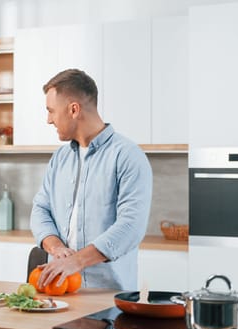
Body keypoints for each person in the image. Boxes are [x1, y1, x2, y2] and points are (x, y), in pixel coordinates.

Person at [30, 69, 152, 291]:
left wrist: (74, 262)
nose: (48, 120)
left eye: (51, 111)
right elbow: (40, 209)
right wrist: (56, 247)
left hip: (109, 296)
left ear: (73, 109)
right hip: (58, 292)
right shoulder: (60, 158)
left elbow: (131, 226)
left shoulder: (127, 156)